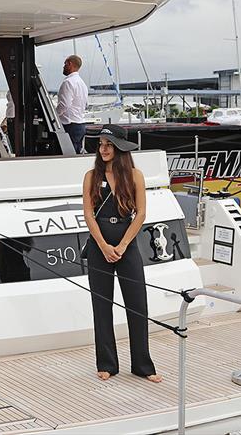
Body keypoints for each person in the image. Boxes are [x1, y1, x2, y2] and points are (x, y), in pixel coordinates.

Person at [82, 124, 162, 383]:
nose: (103, 149)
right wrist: (104, 246)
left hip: (126, 245)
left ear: (120, 148)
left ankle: (143, 366)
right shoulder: (91, 176)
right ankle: (107, 364)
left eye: (109, 144)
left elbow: (141, 214)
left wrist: (124, 245)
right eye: (101, 144)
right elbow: (88, 215)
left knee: (137, 305)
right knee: (101, 306)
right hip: (99, 246)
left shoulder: (135, 175)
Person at [56, 55, 88, 154]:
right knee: (77, 154)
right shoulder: (82, 84)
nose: (63, 67)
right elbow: (85, 104)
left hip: (69, 125)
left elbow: (64, 105)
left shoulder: (68, 82)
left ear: (70, 64)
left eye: (65, 64)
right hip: (80, 124)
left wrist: (55, 115)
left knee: (67, 155)